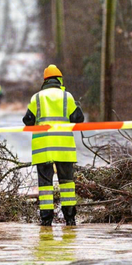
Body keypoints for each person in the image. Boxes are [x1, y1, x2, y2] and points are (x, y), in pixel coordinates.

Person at [23, 64, 84, 227]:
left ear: (45, 81)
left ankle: (46, 220)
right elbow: (78, 118)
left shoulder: (37, 98)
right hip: (64, 149)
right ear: (59, 80)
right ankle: (70, 219)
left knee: (45, 186)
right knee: (67, 184)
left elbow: (27, 120)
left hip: (43, 150)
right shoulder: (67, 96)